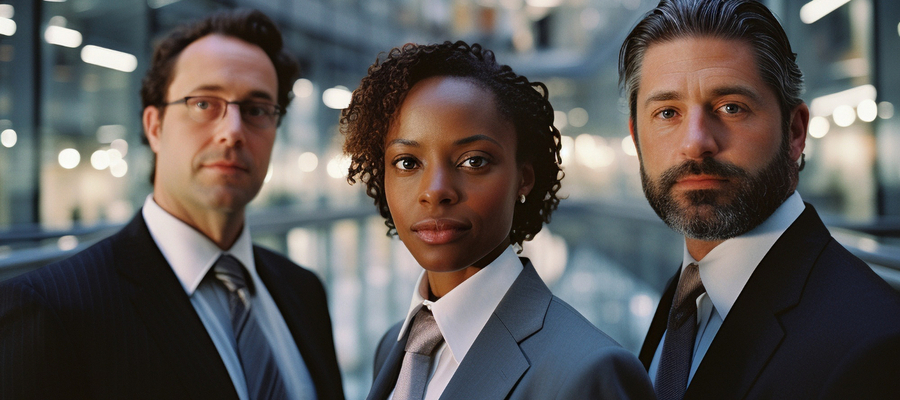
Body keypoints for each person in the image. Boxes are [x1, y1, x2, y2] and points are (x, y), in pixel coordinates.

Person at [0, 9, 344, 400]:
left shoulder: (303, 291)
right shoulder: (50, 311)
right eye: (203, 103)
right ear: (154, 127)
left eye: (256, 110)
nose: (232, 131)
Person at [342, 40, 654, 400]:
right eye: (407, 163)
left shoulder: (590, 372)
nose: (436, 191)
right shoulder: (394, 347)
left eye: (474, 161)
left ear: (523, 177)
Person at [618, 0, 900, 398]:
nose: (696, 143)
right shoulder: (685, 294)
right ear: (636, 138)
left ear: (795, 132)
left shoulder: (877, 345)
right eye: (667, 113)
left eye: (731, 107)